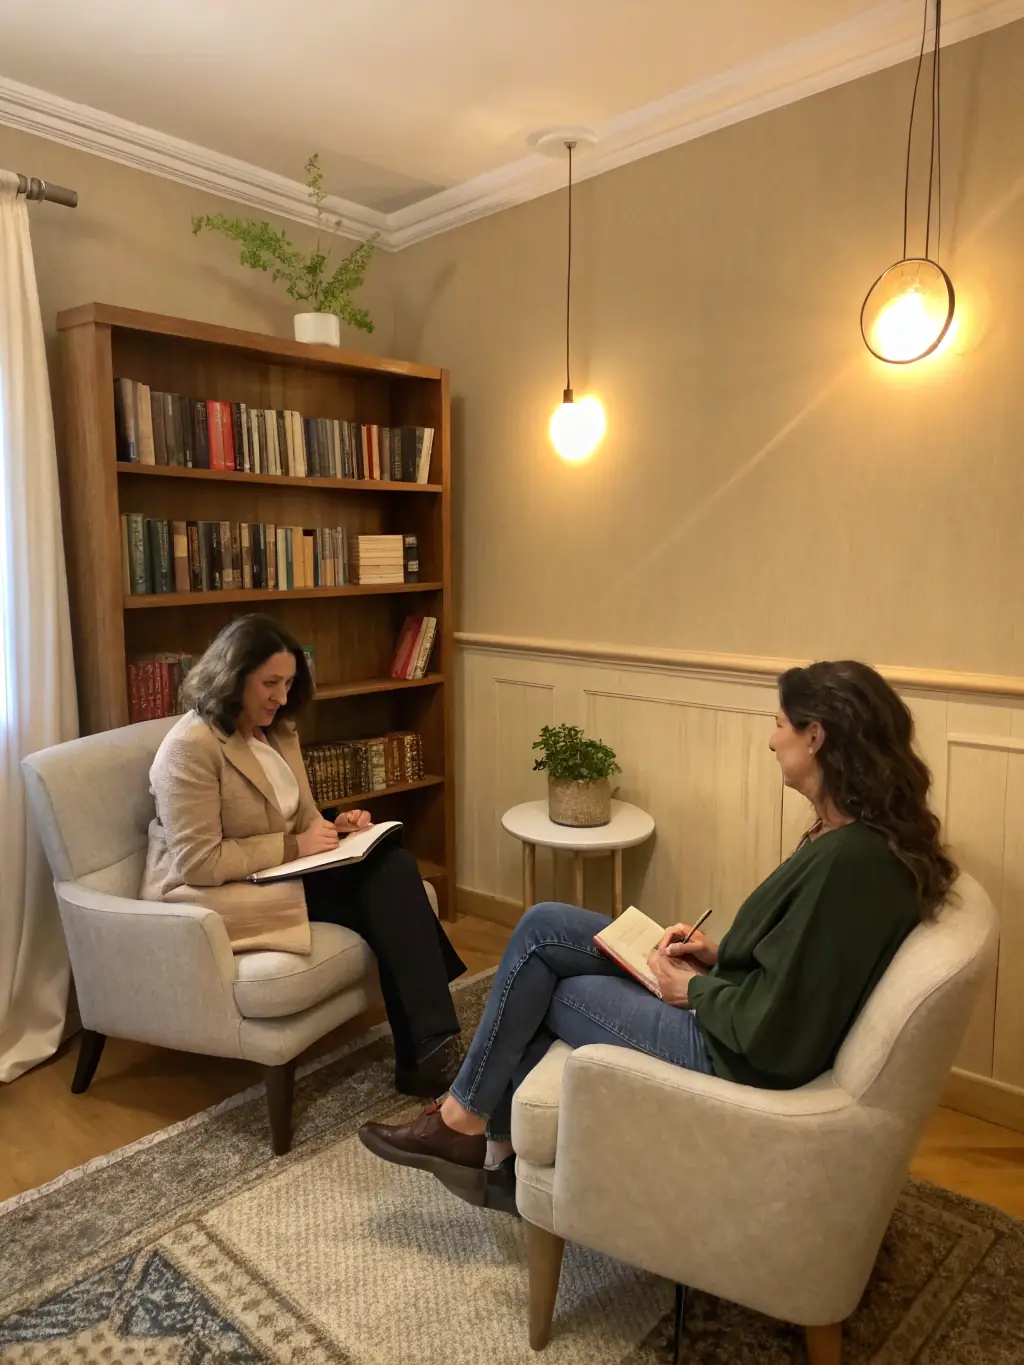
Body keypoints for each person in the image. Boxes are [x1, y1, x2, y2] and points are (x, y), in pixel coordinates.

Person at [359, 659, 957, 1212]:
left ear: (816, 736)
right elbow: (801, 965)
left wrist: (689, 991)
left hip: (729, 1050)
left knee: (546, 988)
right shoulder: (850, 837)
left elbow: (778, 1029)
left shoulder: (851, 863)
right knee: (545, 924)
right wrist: (715, 957)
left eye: (779, 726)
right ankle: (485, 1138)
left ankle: (472, 1130)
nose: (772, 740)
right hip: (732, 1009)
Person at [140, 613, 466, 1098]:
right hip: (220, 893)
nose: (280, 696)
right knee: (392, 885)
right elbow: (198, 862)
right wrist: (296, 846)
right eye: (270, 683)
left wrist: (334, 827)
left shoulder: (276, 729)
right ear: (232, 676)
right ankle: (432, 1051)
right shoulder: (189, 749)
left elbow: (298, 816)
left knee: (391, 867)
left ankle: (431, 1051)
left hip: (282, 872)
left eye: (289, 683)